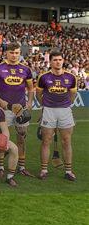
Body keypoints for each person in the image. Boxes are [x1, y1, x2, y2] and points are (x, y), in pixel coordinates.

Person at [0, 43, 34, 176]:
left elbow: (31, 88)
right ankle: (1, 167)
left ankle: (21, 167)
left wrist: (30, 102)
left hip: (21, 110)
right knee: (2, 139)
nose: (14, 55)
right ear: (6, 53)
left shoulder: (26, 69)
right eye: (11, 53)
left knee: (21, 138)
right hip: (5, 110)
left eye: (16, 53)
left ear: (20, 53)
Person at [36, 50, 77, 181]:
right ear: (51, 61)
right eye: (55, 60)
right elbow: (38, 95)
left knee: (66, 141)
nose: (58, 62)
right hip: (49, 111)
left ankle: (68, 171)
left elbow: (72, 95)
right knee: (46, 140)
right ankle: (43, 170)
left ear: (63, 61)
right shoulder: (43, 77)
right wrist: (45, 106)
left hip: (65, 111)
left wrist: (66, 105)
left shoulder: (71, 77)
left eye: (60, 60)